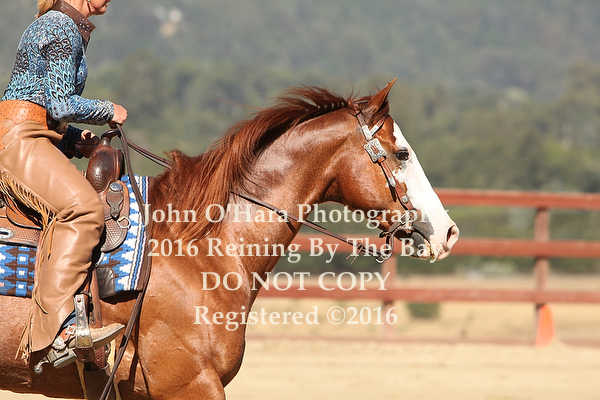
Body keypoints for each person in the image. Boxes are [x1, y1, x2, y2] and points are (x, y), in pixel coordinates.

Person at [0, 0, 126, 367]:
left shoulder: (63, 26)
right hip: (21, 139)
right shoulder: (59, 26)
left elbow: (35, 99)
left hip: (33, 132)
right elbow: (60, 104)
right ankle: (61, 332)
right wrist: (108, 110)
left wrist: (71, 139)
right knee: (84, 209)